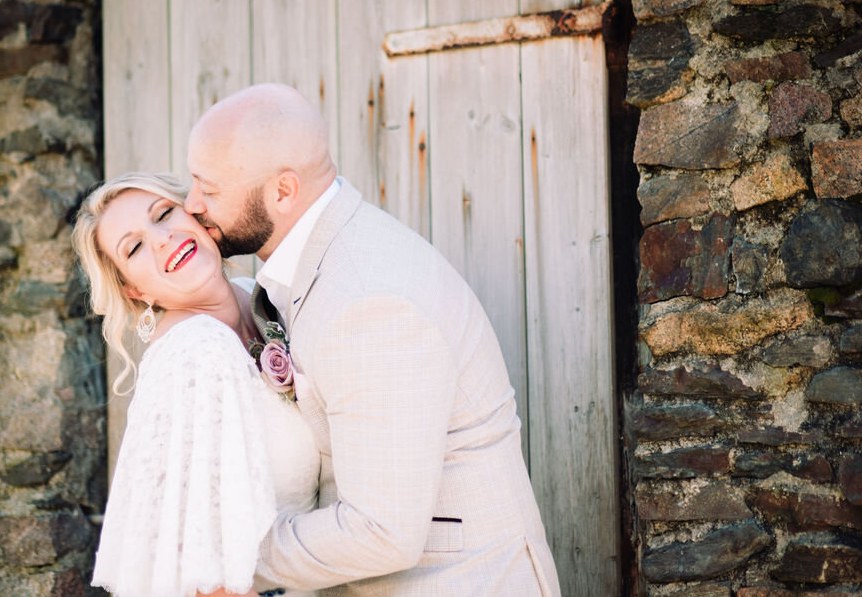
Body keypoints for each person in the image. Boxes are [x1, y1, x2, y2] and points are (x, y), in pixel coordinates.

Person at [184, 83, 562, 596]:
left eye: (209, 189)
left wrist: (230, 557)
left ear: (282, 192)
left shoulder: (366, 302)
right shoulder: (325, 258)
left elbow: (381, 530)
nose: (191, 204)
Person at [72, 172, 320, 597]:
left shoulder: (257, 297)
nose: (162, 239)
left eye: (164, 214)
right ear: (133, 289)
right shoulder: (195, 351)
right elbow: (203, 572)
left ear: (195, 215)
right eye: (133, 247)